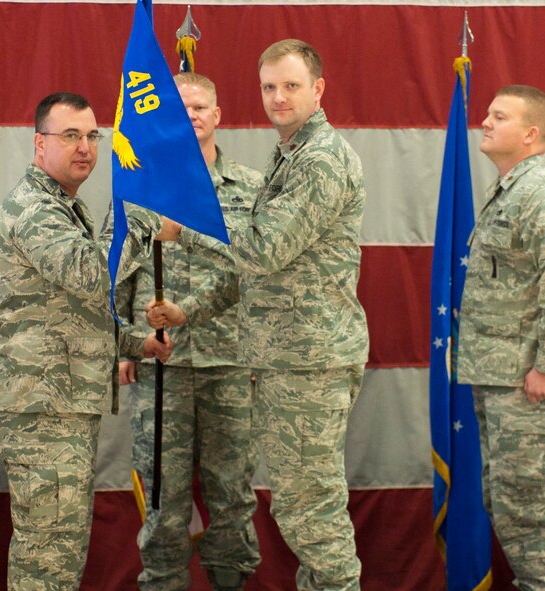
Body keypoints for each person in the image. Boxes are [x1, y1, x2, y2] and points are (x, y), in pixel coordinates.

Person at [150, 40, 369, 590]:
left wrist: (183, 230)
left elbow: (263, 249)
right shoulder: (289, 153)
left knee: (310, 512)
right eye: (269, 87)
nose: (277, 97)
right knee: (302, 508)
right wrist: (189, 309)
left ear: (318, 89)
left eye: (291, 86)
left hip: (308, 358)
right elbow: (259, 276)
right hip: (287, 356)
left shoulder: (320, 160)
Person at [0, 92, 174, 591]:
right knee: (47, 555)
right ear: (38, 144)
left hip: (59, 404)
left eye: (93, 136)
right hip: (44, 407)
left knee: (61, 550)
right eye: (70, 135)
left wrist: (137, 344)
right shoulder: (34, 209)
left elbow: (71, 313)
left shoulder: (65, 207)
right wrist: (139, 211)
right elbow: (93, 275)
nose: (86, 147)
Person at [116, 72, 262, 591]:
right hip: (162, 361)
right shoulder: (142, 185)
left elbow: (257, 270)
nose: (192, 116)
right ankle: (161, 583)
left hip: (231, 359)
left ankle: (230, 581)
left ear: (218, 115)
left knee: (231, 489)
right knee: (163, 493)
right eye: (180, 109)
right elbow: (124, 268)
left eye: (201, 106)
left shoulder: (250, 186)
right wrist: (125, 343)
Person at [457, 85, 545, 591]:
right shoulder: (507, 189)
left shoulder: (542, 195)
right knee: (508, 500)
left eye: (499, 116)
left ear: (531, 134)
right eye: (488, 114)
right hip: (498, 373)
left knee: (530, 505)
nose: (485, 123)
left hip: (528, 378)